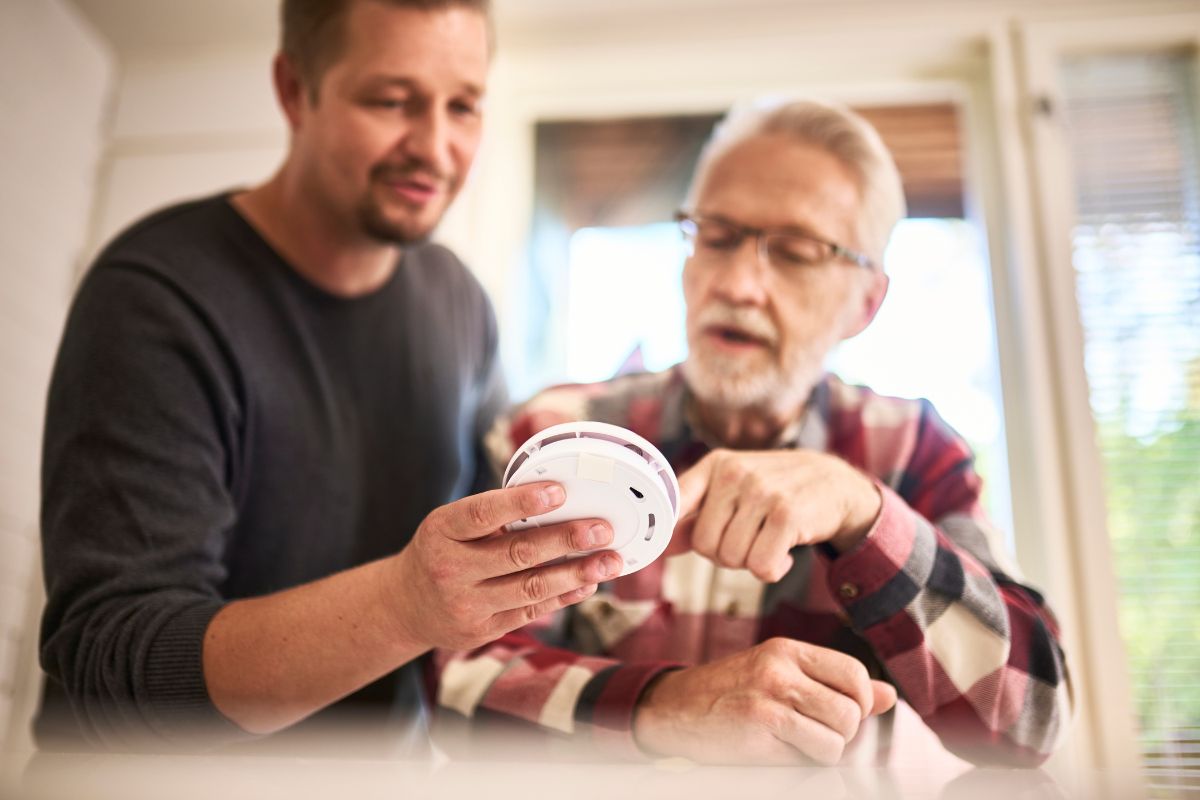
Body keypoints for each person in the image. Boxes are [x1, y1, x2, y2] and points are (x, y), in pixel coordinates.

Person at [36, 0, 623, 754]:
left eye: (464, 106)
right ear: (293, 90)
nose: (436, 148)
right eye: (390, 101)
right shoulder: (158, 293)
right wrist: (406, 604)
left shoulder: (459, 302)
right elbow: (113, 661)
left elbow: (497, 539)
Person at [433, 99, 1073, 767]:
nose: (737, 283)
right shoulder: (556, 434)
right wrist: (665, 705)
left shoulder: (914, 450)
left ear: (866, 303)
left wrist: (866, 513)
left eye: (796, 253)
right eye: (716, 236)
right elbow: (458, 678)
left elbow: (1034, 720)